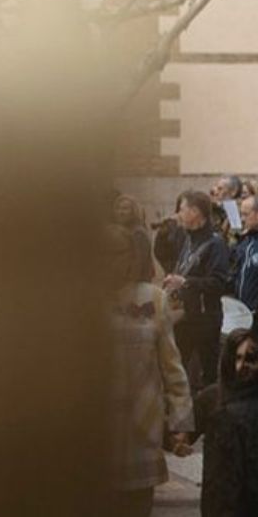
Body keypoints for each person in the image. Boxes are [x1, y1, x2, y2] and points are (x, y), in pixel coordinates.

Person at [104, 224, 193, 517]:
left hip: (141, 430)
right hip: (95, 434)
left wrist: (180, 421)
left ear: (131, 256)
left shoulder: (153, 298)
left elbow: (172, 366)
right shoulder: (80, 302)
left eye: (118, 253)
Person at [163, 190, 230, 392]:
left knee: (208, 376)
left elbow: (219, 284)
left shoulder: (216, 244)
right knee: (179, 373)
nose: (178, 215)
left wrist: (185, 282)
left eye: (182, 210)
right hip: (185, 318)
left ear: (194, 212)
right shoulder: (187, 239)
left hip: (206, 320)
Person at [197, 326, 258, 516]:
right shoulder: (211, 397)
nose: (241, 367)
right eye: (236, 358)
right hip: (217, 504)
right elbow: (180, 433)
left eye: (249, 359)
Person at [232, 194, 258, 312]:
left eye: (246, 215)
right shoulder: (245, 242)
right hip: (243, 313)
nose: (242, 219)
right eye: (241, 214)